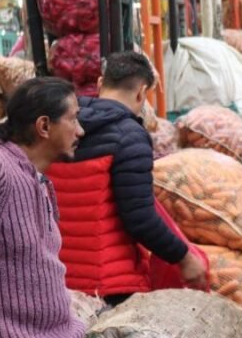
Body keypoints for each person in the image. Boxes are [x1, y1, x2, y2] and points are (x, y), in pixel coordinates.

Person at [45, 52, 207, 306]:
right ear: (142, 93)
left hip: (57, 278)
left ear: (100, 84)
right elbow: (140, 218)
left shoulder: (59, 126)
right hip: (109, 283)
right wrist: (184, 258)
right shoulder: (129, 135)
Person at [0, 77, 98, 338]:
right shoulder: (1, 170)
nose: (80, 130)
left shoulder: (36, 179)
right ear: (43, 126)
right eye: (73, 118)